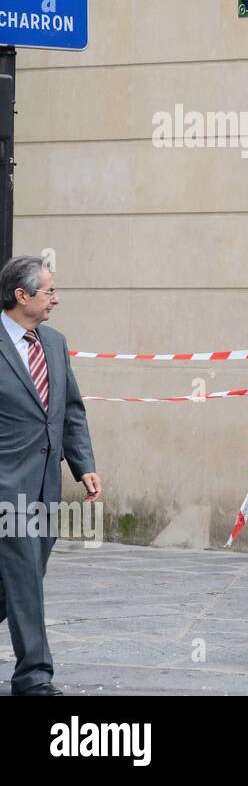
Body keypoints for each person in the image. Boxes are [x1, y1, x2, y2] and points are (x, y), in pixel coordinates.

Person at [0, 255, 101, 695]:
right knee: (23, 575)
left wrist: (84, 466)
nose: (56, 299)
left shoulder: (55, 343)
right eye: (49, 292)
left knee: (25, 575)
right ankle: (34, 676)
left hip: (46, 485)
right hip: (6, 486)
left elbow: (69, 410)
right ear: (21, 295)